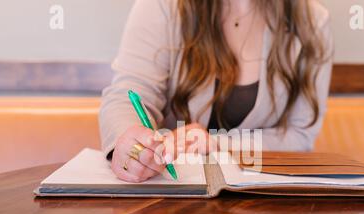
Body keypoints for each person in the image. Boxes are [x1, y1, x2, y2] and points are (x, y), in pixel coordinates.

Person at [99, 0, 333, 182]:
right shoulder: (163, 6)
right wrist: (130, 140)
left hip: (261, 210)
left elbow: (299, 135)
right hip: (170, 196)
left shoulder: (312, 21)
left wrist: (217, 144)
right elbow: (127, 96)